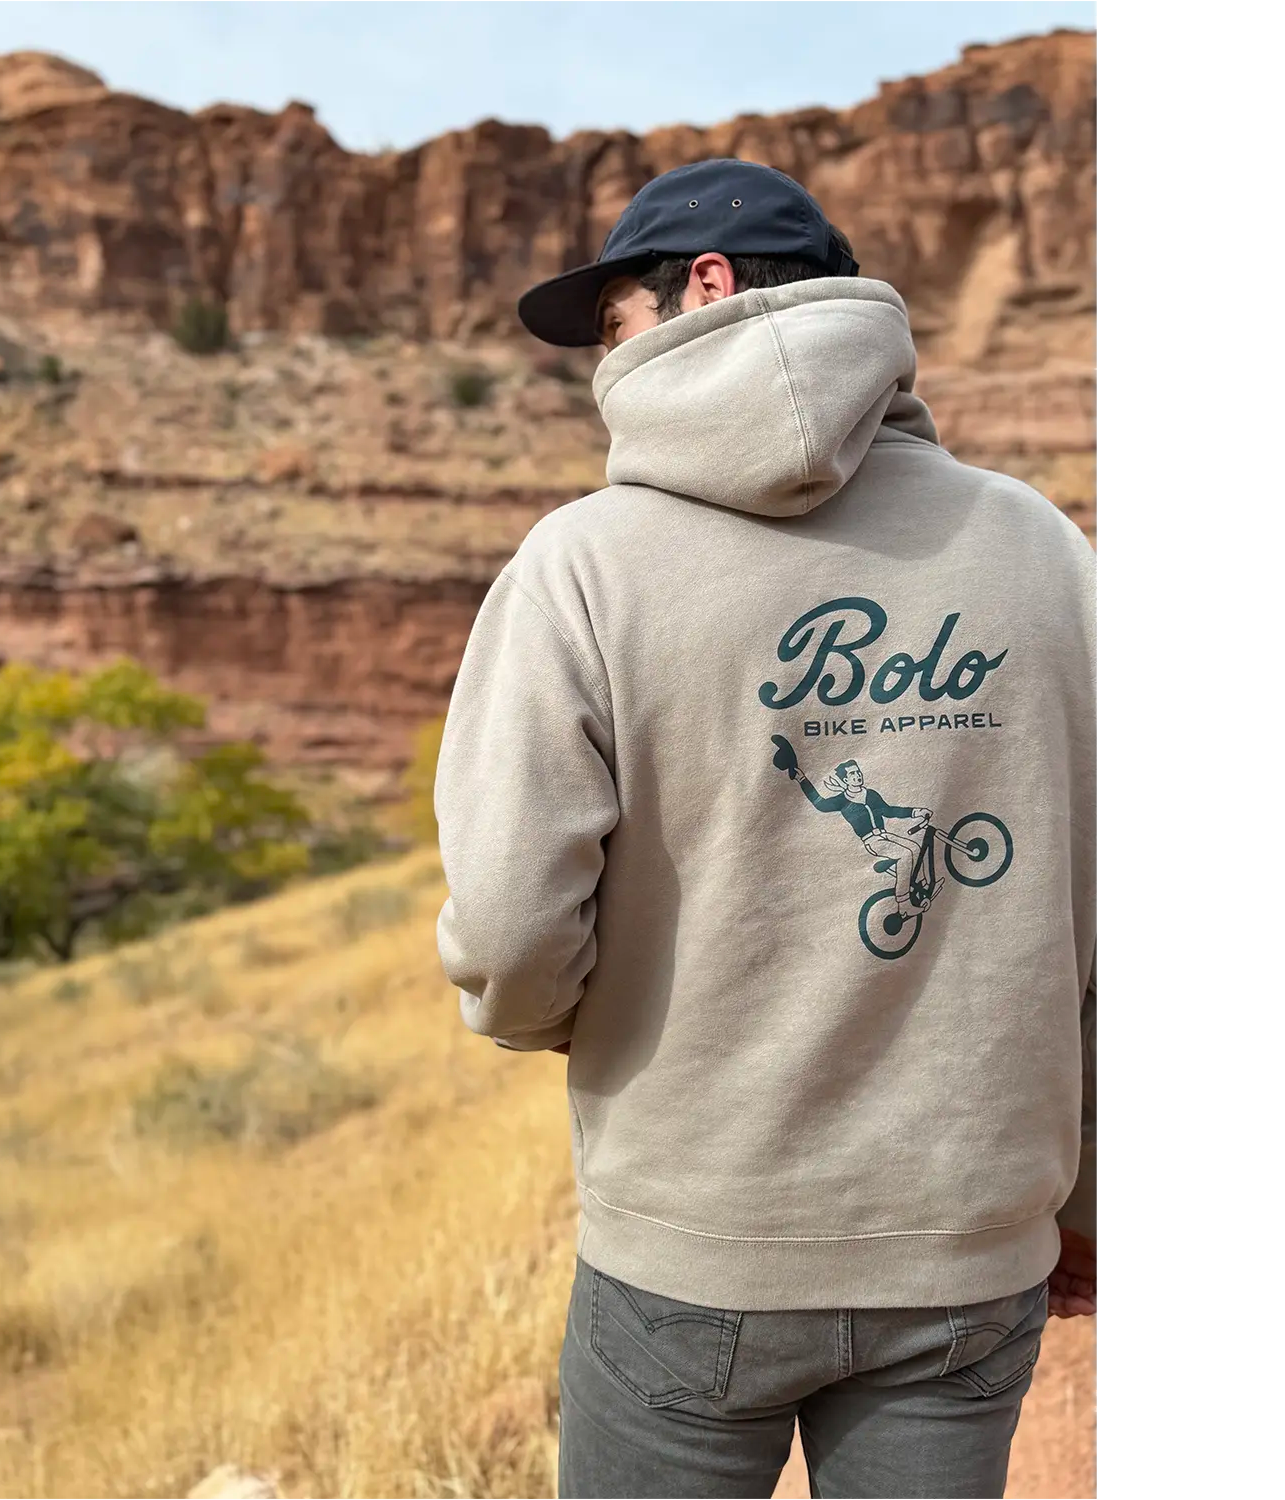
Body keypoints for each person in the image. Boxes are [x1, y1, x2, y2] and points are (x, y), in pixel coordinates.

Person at [433, 158, 1095, 1500]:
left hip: (699, 1238)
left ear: (705, 289)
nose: (599, 363)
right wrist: (1090, 1188)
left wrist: (543, 1016)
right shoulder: (1043, 550)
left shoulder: (584, 563)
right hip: (968, 1245)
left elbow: (509, 924)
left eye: (612, 322)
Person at [788, 754, 940, 919]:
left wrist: (916, 812)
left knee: (916, 847)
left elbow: (889, 810)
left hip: (886, 835)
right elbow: (820, 803)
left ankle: (923, 886)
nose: (857, 775)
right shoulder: (842, 800)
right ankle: (904, 905)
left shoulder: (871, 794)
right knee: (905, 856)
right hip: (872, 841)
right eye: (852, 774)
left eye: (857, 772)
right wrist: (802, 779)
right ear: (845, 780)